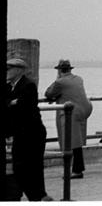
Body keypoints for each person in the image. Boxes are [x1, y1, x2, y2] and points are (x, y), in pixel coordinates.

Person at [5, 58, 53, 201]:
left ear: (19, 70)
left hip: (32, 133)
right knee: (19, 167)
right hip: (19, 133)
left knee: (32, 167)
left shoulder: (28, 85)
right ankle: (37, 196)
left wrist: (12, 103)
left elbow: (24, 107)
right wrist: (11, 103)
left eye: (9, 69)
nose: (6, 71)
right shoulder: (9, 86)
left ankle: (39, 196)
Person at [45, 59, 93, 179]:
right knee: (77, 140)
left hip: (73, 112)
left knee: (74, 142)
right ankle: (78, 168)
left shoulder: (60, 82)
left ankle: (77, 170)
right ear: (70, 69)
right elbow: (70, 92)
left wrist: (57, 80)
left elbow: (48, 93)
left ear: (59, 70)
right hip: (85, 109)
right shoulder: (79, 78)